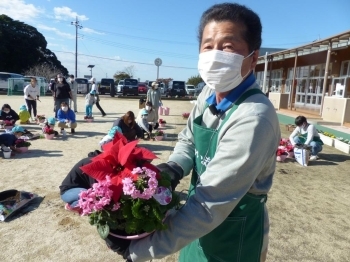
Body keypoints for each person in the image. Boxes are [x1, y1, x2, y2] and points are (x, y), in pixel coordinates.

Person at [105, 3, 280, 262]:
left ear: (253, 58)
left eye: (228, 47)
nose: (216, 54)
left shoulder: (253, 117)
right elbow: (188, 138)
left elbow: (211, 202)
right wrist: (175, 167)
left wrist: (138, 250)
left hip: (233, 230)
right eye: (208, 46)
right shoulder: (208, 92)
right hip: (192, 223)